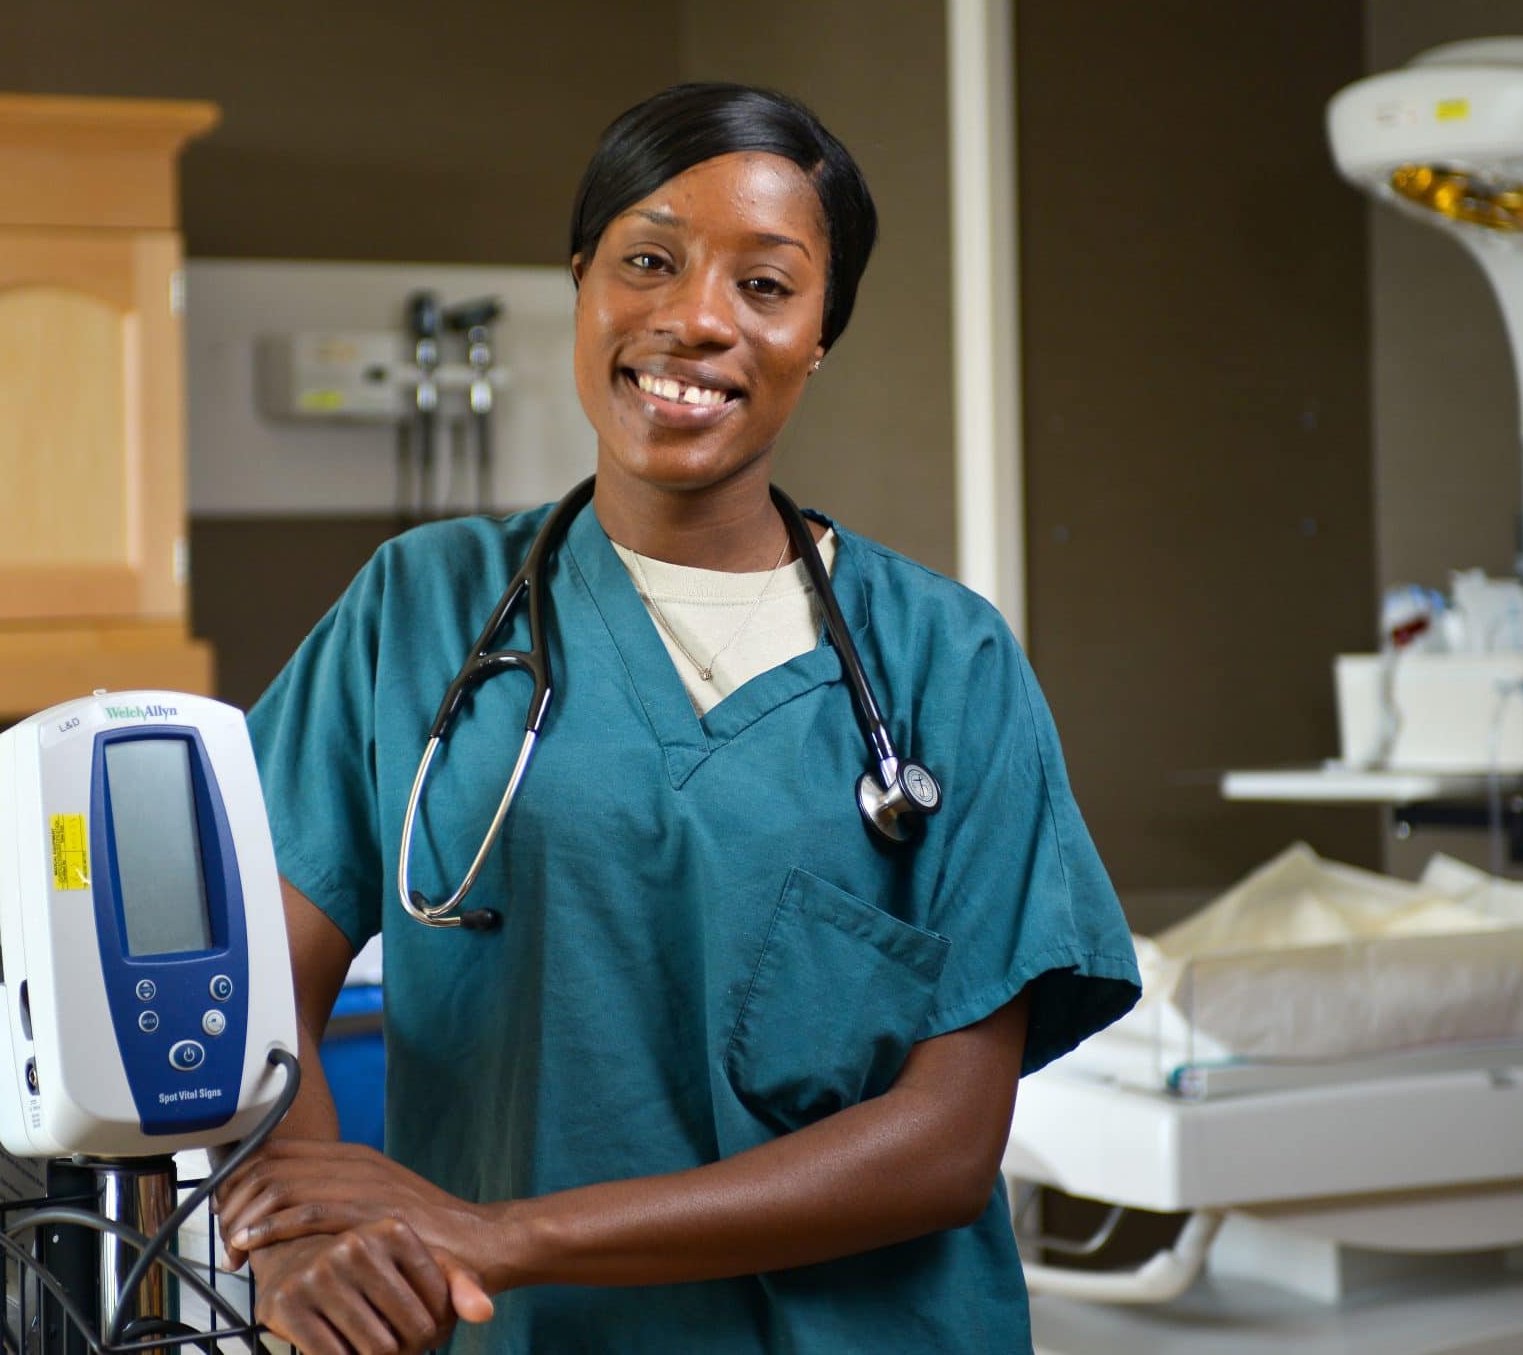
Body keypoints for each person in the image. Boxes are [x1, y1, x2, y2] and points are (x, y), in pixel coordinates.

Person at [215, 81, 1140, 1354]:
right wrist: (312, 1242)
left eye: (766, 286)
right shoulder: (416, 610)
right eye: (647, 261)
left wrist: (503, 1232)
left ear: (820, 334)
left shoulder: (945, 660)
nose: (696, 318)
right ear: (581, 282)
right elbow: (244, 987)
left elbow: (943, 1142)